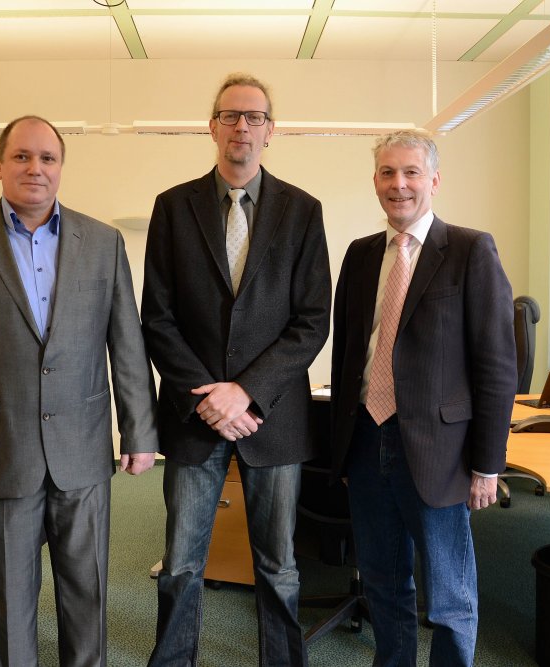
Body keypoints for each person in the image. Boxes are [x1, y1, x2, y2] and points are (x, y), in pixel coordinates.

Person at [0, 115, 158, 667]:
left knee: (86, 595)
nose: (35, 168)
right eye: (22, 156)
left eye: (47, 158)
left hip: (83, 449)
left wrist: (140, 430)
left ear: (61, 168)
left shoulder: (103, 242)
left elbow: (127, 344)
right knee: (5, 601)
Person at [141, 73, 331, 666]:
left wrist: (245, 392)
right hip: (195, 418)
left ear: (271, 131)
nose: (241, 126)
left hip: (271, 419)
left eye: (254, 117)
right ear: (212, 126)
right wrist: (208, 398)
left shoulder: (303, 211)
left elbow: (311, 320)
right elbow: (158, 317)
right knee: (180, 565)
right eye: (230, 116)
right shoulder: (173, 207)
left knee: (278, 567)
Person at [330, 129, 517, 667]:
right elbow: (349, 353)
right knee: (385, 584)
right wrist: (342, 446)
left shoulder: (469, 249)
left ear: (434, 180)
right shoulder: (362, 255)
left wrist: (487, 464)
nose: (399, 184)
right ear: (375, 182)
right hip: (367, 441)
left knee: (449, 596)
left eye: (411, 172)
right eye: (388, 173)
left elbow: (497, 366)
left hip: (440, 450)